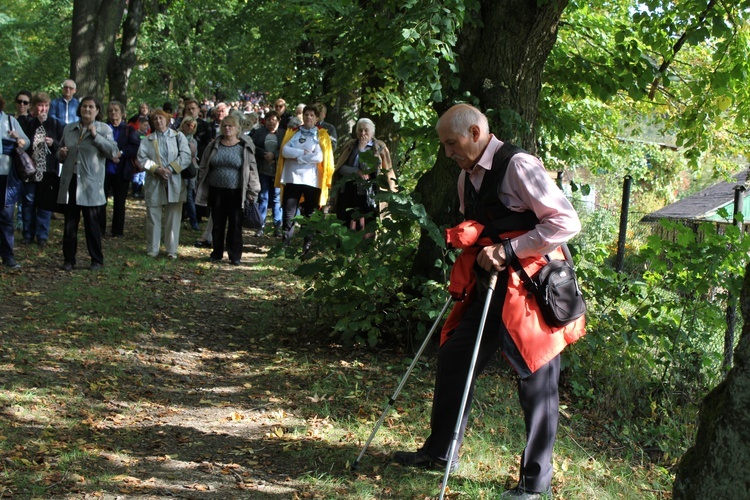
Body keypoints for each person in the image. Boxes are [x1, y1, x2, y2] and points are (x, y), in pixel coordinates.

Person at [392, 104, 585, 499]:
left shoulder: (519, 166)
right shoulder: (467, 178)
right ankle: (441, 451)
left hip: (535, 293)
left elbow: (567, 222)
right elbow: (484, 226)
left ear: (476, 133)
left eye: (452, 143)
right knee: (455, 356)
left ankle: (534, 485)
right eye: (444, 145)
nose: (448, 153)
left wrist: (509, 249)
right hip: (491, 288)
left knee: (537, 383)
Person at [57, 96, 119, 271]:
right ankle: (69, 260)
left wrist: (95, 136)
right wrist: (61, 153)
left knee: (92, 224)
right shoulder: (69, 129)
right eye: (84, 106)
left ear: (97, 110)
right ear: (80, 109)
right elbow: (61, 153)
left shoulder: (104, 129)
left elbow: (112, 152)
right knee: (70, 224)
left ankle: (96, 260)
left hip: (91, 184)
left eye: (91, 107)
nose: (87, 109)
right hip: (71, 182)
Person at [195, 114, 260, 265]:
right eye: (225, 125)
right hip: (216, 190)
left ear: (237, 129)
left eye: (231, 126)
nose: (227, 128)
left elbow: (252, 170)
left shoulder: (244, 147)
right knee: (217, 223)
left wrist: (253, 190)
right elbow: (204, 165)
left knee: (235, 223)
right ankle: (216, 253)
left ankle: (235, 255)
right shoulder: (213, 145)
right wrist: (200, 181)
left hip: (237, 191)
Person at [275, 105, 334, 255]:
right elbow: (285, 151)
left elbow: (319, 157)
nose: (308, 117)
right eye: (306, 115)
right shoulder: (293, 132)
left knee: (310, 212)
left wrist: (297, 158)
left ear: (317, 118)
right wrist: (303, 154)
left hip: (312, 180)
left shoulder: (321, 135)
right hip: (292, 177)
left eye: (312, 115)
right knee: (289, 211)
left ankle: (308, 245)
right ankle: (286, 243)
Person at [137, 109, 191, 259]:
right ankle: (153, 249)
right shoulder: (147, 140)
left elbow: (186, 156)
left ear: (167, 120)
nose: (158, 121)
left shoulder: (178, 136)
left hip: (174, 180)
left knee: (173, 215)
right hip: (154, 180)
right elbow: (141, 159)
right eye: (155, 119)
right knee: (153, 215)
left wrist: (171, 168)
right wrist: (156, 169)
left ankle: (171, 250)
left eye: (161, 118)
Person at [332, 118, 396, 234]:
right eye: (360, 130)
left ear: (372, 132)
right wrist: (356, 171)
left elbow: (369, 169)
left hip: (368, 190)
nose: (363, 133)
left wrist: (362, 150)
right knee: (345, 218)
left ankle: (366, 247)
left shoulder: (379, 147)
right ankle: (344, 247)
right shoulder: (350, 145)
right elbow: (341, 167)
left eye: (366, 130)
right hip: (348, 188)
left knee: (366, 220)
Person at [19, 92, 65, 247]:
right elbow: (23, 142)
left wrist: (53, 143)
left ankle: (42, 235)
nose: (43, 109)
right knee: (29, 202)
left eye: (46, 106)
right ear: (34, 106)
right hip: (30, 170)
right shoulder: (27, 122)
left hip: (48, 170)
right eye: (40, 105)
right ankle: (27, 234)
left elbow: (62, 146)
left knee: (45, 204)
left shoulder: (55, 124)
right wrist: (36, 124)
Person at [101, 101, 141, 237]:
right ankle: (100, 229)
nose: (113, 113)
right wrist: (109, 154)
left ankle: (117, 230)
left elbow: (135, 147)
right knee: (101, 201)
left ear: (122, 113)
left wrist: (121, 153)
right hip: (104, 170)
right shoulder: (103, 128)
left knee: (119, 202)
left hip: (122, 170)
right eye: (111, 111)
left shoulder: (129, 130)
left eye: (116, 110)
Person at [0, 93, 31, 269]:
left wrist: (18, 140)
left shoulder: (10, 121)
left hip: (7, 177)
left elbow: (26, 141)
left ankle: (7, 255)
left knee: (6, 216)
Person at [249, 110, 284, 237]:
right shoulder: (259, 133)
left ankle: (277, 226)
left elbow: (286, 148)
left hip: (277, 171)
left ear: (278, 121)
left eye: (274, 120)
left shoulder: (283, 134)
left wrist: (274, 155)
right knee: (263, 197)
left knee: (276, 198)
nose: (271, 122)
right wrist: (264, 154)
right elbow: (252, 146)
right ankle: (260, 224)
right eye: (269, 120)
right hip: (262, 169)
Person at [179, 116, 201, 231]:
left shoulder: (193, 141)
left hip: (190, 169)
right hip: (177, 168)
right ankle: (179, 218)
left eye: (192, 126)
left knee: (190, 195)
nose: (189, 128)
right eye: (187, 125)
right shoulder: (176, 136)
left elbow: (192, 154)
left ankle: (194, 221)